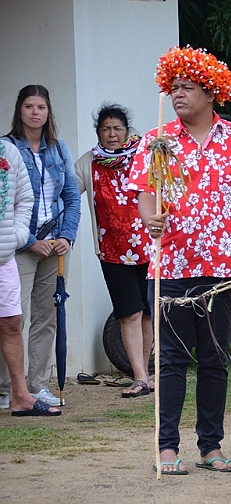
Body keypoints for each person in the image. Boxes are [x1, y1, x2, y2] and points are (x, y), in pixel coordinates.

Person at [127, 46, 231, 475]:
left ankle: (210, 446)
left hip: (225, 269)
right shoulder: (158, 140)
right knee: (171, 359)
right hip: (172, 267)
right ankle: (166, 448)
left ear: (211, 93)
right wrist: (149, 218)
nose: (177, 94)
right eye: (173, 88)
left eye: (187, 87)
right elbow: (144, 193)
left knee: (214, 357)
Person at [0, 85, 81, 407]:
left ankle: (37, 385)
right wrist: (30, 241)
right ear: (19, 110)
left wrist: (66, 237)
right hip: (19, 245)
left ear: (49, 112)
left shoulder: (59, 149)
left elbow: (72, 198)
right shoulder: (7, 149)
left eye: (41, 107)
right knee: (11, 317)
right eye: (29, 106)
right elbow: (10, 202)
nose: (35, 113)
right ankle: (7, 389)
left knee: (47, 316)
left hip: (56, 244)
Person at [76, 104, 152, 398]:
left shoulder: (144, 157)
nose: (111, 134)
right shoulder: (89, 163)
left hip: (149, 248)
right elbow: (68, 192)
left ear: (126, 131)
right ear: (98, 133)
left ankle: (146, 374)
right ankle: (139, 376)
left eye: (117, 128)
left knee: (147, 314)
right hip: (112, 252)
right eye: (106, 129)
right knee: (128, 313)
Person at [0, 138, 61, 416]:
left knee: (12, 321)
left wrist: (17, 235)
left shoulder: (7, 151)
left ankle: (21, 396)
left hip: (4, 256)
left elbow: (25, 197)